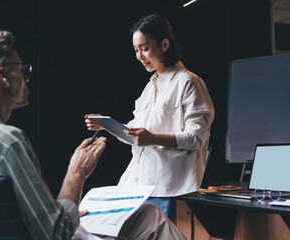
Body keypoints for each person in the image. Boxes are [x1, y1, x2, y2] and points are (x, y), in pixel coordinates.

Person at [0, 30, 187, 240]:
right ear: (2, 77)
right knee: (151, 218)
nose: (28, 76)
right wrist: (76, 173)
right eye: (23, 68)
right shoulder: (7, 143)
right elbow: (55, 233)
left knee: (143, 215)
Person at [85, 14, 214, 219]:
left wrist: (152, 138)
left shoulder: (189, 82)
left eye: (144, 48)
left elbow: (196, 138)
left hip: (166, 189)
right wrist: (107, 125)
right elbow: (136, 135)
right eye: (136, 50)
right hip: (135, 186)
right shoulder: (149, 87)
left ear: (164, 44)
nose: (139, 56)